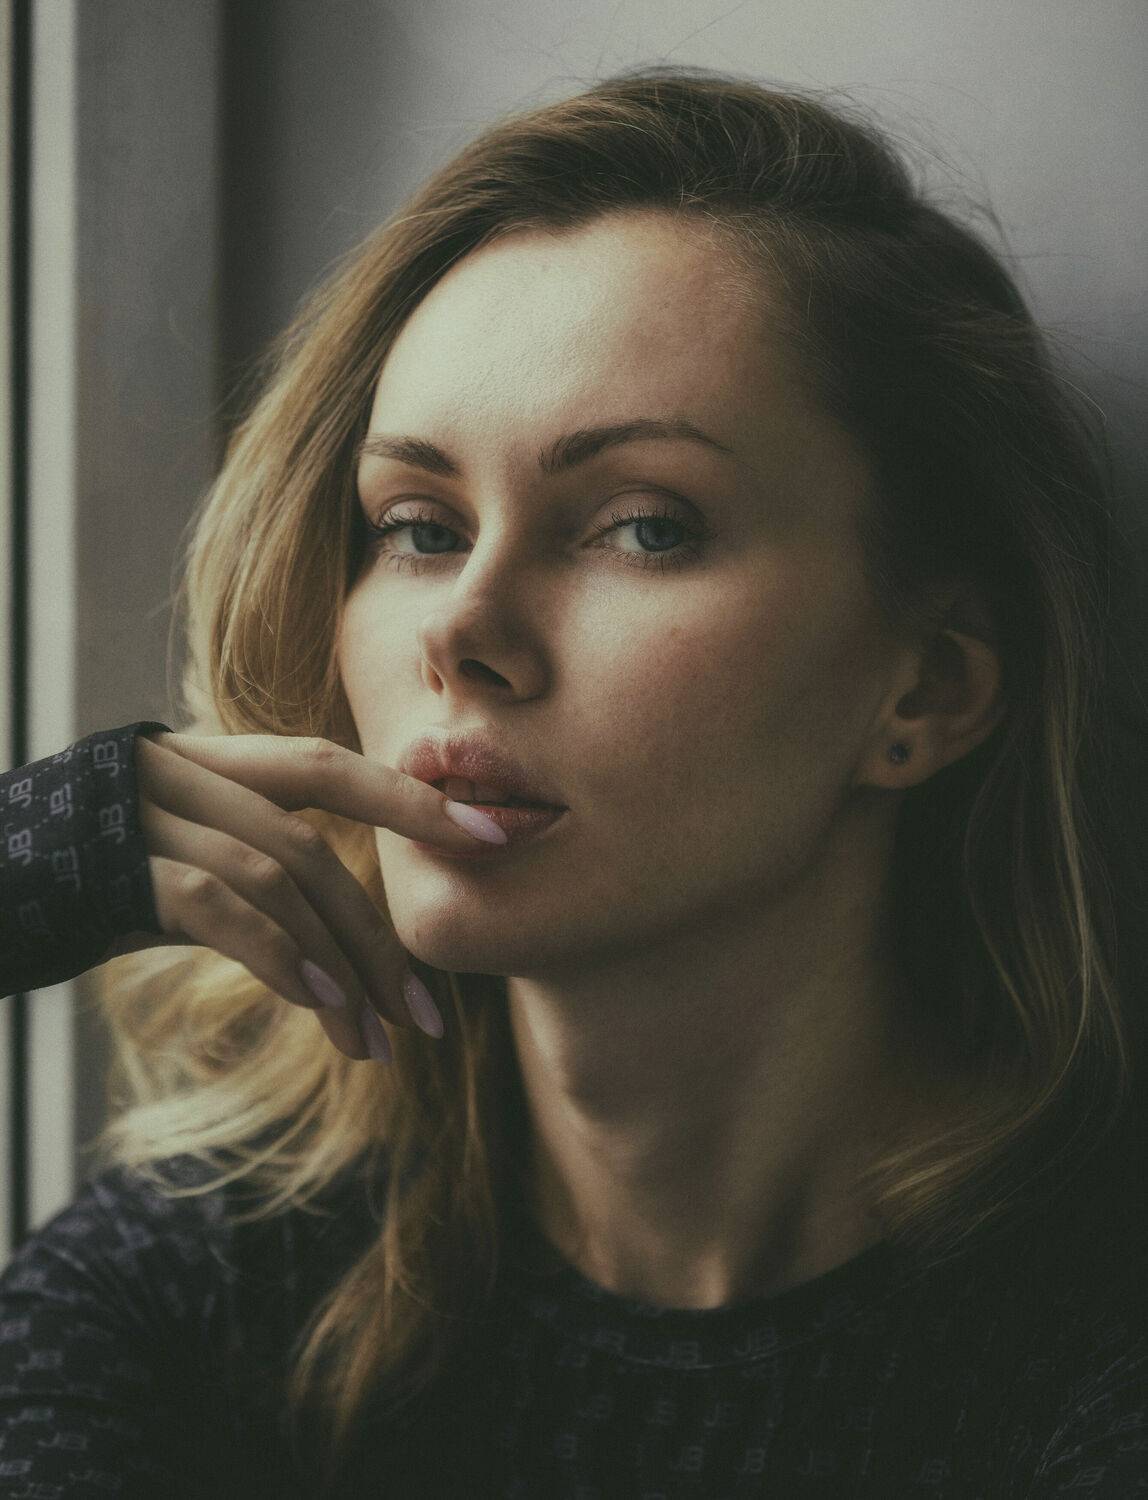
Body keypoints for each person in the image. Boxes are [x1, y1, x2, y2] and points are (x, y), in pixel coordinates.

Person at [0, 63, 1146, 1499]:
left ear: (926, 689)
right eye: (418, 526)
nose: (461, 629)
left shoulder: (1092, 1352)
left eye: (644, 528)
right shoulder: (204, 1292)